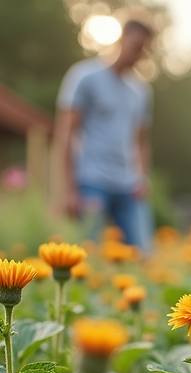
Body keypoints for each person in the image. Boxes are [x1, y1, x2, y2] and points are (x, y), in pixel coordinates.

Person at [56, 20, 155, 252]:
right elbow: (66, 133)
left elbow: (141, 142)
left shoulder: (141, 92)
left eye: (144, 50)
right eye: (135, 46)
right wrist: (69, 189)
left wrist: (142, 177)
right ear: (121, 40)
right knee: (88, 256)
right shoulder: (85, 77)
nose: (138, 55)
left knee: (143, 255)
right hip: (92, 181)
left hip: (128, 185)